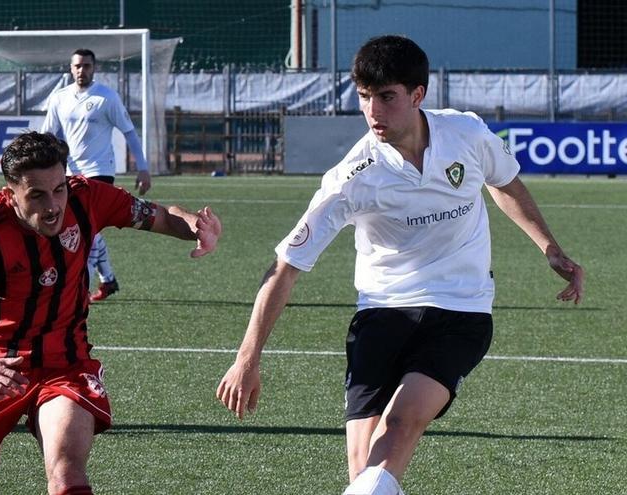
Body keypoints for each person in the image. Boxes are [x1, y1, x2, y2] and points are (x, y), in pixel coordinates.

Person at [215, 35, 584, 495]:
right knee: (364, 471)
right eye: (365, 97)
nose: (373, 112)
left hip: (461, 309)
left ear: (417, 94)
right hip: (382, 310)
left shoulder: (465, 135)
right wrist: (247, 358)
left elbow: (504, 182)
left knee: (401, 423)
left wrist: (549, 246)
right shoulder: (351, 178)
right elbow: (285, 267)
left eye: (386, 97)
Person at [0, 131, 220, 495]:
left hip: (64, 365)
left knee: (67, 476)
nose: (52, 205)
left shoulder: (87, 198)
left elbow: (160, 216)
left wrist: (197, 226)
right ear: (10, 194)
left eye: (58, 189)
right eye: (36, 195)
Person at [41, 48, 152, 302]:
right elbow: (48, 134)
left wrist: (143, 167)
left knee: (85, 229)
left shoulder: (106, 97)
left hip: (100, 172)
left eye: (87, 66)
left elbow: (129, 133)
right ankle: (109, 280)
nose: (82, 70)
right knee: (90, 230)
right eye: (78, 66)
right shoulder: (59, 98)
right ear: (71, 68)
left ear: (95, 68)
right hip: (71, 172)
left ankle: (82, 288)